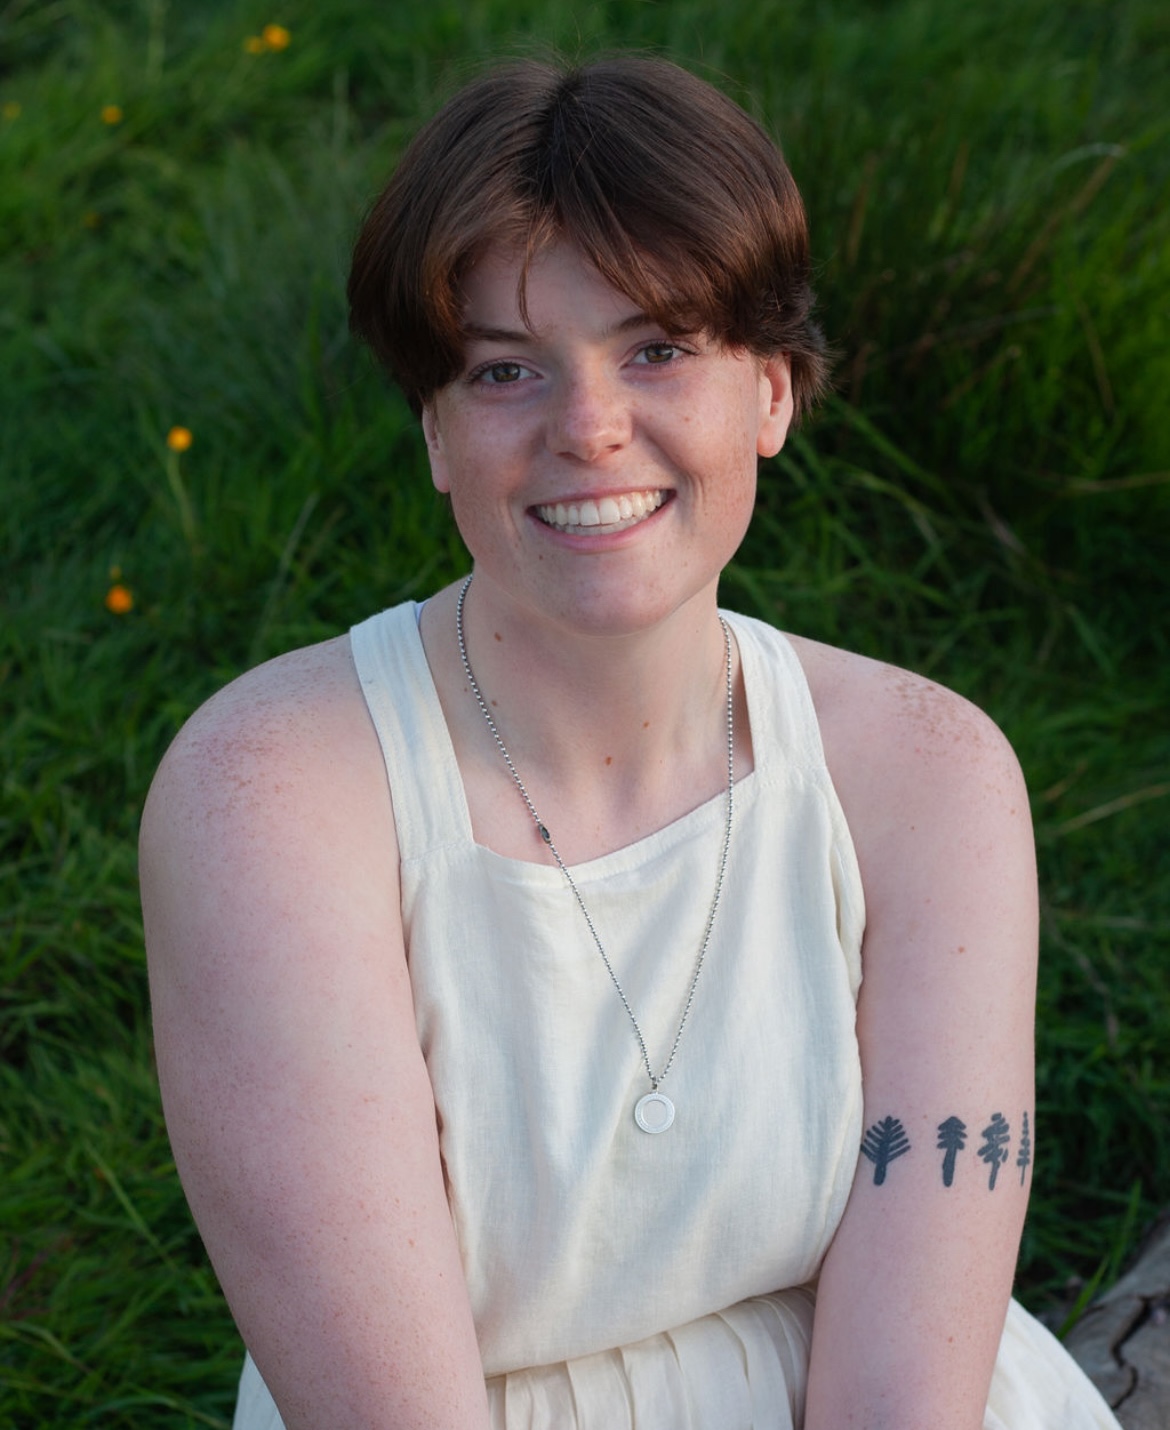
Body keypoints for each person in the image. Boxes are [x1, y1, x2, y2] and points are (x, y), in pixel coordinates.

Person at [139, 55, 1123, 1430]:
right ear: (432, 427)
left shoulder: (925, 774)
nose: (589, 427)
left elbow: (902, 1398)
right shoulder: (273, 799)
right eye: (504, 369)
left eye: (657, 346)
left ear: (772, 392)